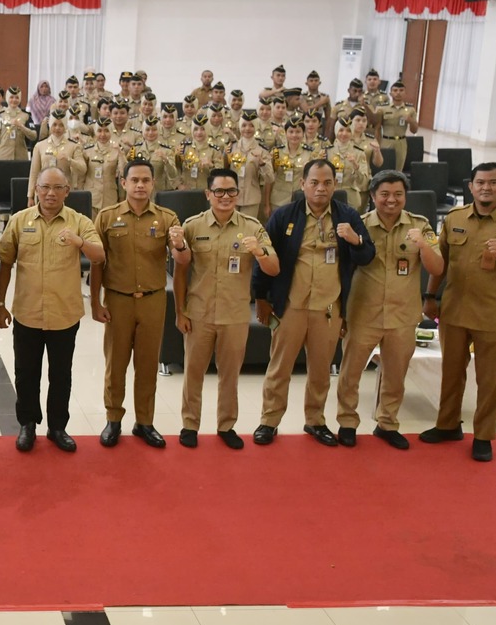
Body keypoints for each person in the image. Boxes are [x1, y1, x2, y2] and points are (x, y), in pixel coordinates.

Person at [420, 163, 496, 462]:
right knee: (450, 372)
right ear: (470, 187)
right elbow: (440, 262)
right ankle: (447, 425)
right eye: (480, 183)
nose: (486, 188)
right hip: (454, 310)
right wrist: (430, 296)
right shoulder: (455, 218)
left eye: (493, 183)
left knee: (488, 379)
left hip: (492, 314)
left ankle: (483, 435)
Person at [252, 159, 375, 446]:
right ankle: (269, 421)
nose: (321, 188)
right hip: (291, 305)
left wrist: (355, 240)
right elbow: (264, 257)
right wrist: (260, 297)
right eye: (315, 182)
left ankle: (315, 421)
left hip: (328, 309)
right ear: (302, 184)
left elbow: (367, 256)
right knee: (279, 368)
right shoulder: (285, 216)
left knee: (321, 371)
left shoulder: (347, 215)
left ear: (335, 184)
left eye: (328, 183)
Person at [0, 166, 105, 452]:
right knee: (26, 373)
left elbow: (99, 255)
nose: (50, 193)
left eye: (57, 188)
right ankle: (27, 425)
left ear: (67, 191)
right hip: (28, 313)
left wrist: (79, 242)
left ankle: (58, 427)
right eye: (45, 187)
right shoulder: (19, 221)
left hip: (63, 314)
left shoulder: (79, 221)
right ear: (36, 189)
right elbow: (4, 262)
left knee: (61, 374)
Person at [332, 170, 444, 449]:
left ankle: (388, 423)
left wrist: (423, 245)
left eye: (398, 194)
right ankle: (347, 422)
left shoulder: (421, 225)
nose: (391, 200)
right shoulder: (358, 225)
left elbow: (437, 268)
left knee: (395, 375)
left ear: (406, 196)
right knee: (350, 373)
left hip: (402, 314)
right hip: (363, 312)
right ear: (372, 196)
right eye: (384, 194)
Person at [172, 168, 279, 449]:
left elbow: (274, 267)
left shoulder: (252, 227)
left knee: (229, 375)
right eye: (218, 191)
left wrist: (258, 251)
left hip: (234, 315)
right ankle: (189, 425)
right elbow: (181, 272)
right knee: (193, 373)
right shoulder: (193, 226)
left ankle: (226, 425)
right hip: (199, 313)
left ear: (238, 194)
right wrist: (179, 312)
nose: (225, 196)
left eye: (231, 191)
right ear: (208, 194)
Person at [90, 160, 180, 448]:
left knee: (147, 365)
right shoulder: (106, 217)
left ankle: (145, 422)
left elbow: (182, 259)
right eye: (134, 180)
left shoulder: (167, 218)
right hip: (118, 300)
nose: (140, 185)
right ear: (123, 182)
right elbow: (96, 263)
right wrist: (94, 301)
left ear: (153, 183)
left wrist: (180, 246)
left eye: (146, 180)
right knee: (115, 365)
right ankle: (113, 419)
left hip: (153, 301)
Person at [27, 115, 85, 205]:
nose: (57, 128)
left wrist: (70, 160)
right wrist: (30, 196)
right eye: (54, 125)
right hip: (44, 192)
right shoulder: (40, 146)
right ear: (50, 125)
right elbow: (34, 172)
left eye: (61, 125)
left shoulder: (73, 146)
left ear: (65, 126)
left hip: (64, 193)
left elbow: (83, 169)